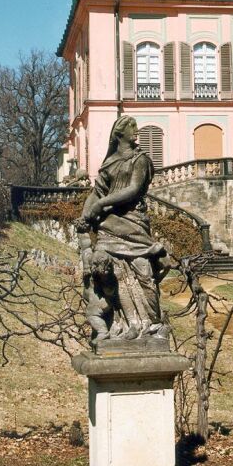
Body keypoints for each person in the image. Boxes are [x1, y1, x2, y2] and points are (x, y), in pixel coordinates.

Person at [76, 116, 169, 345]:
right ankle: (126, 324)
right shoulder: (109, 163)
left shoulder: (141, 160)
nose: (137, 132)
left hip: (133, 223)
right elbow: (96, 193)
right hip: (109, 226)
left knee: (144, 272)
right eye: (133, 128)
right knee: (115, 274)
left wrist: (100, 205)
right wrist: (85, 216)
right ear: (119, 133)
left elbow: (134, 189)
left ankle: (153, 323)